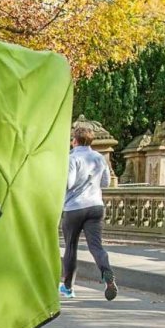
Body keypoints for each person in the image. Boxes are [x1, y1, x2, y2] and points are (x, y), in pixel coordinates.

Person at [62, 125, 117, 300]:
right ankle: (107, 274)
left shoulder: (72, 158)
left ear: (75, 141)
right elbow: (106, 183)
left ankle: (68, 287)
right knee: (96, 246)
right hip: (95, 206)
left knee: (71, 246)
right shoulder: (99, 158)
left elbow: (68, 183)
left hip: (74, 207)